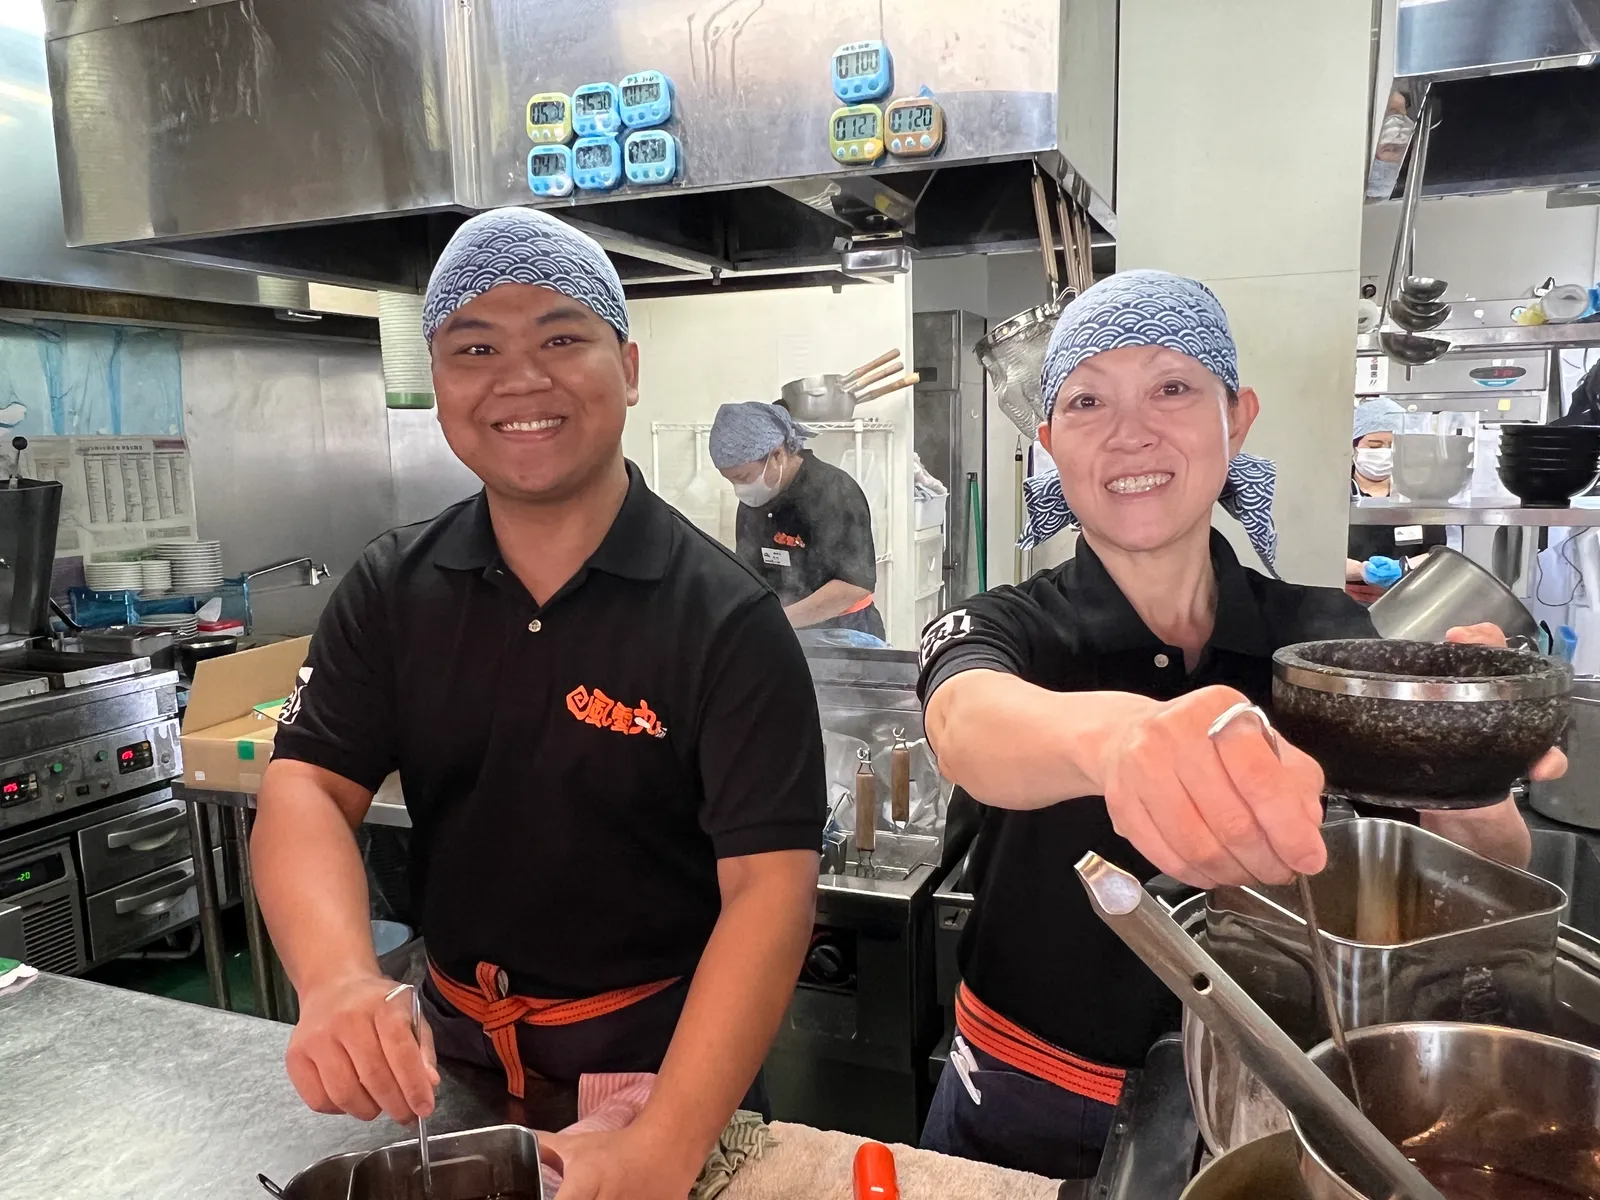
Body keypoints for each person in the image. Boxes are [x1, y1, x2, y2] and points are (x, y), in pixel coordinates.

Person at [914, 270, 1563, 1181]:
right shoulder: (1007, 625)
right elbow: (965, 717)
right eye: (1088, 401)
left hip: (1274, 1115)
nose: (1131, 432)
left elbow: (1491, 868)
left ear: (1238, 417)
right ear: (1051, 443)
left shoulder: (1330, 645)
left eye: (1173, 388)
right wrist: (1121, 742)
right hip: (1020, 1110)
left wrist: (1467, 765)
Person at [250, 208, 827, 1200]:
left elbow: (770, 892)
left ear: (628, 368)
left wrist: (667, 1142)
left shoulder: (724, 619)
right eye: (475, 348)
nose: (519, 380)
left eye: (561, 339)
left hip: (660, 1079)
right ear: (440, 382)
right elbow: (306, 786)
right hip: (450, 1074)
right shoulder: (393, 589)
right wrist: (338, 976)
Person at [709, 400, 885, 640]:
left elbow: (853, 586)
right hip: (783, 630)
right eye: (731, 481)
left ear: (777, 455)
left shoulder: (834, 491)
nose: (739, 489)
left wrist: (776, 620)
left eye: (743, 477)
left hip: (846, 629)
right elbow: (750, 572)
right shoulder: (754, 501)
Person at [1346, 396, 1446, 604]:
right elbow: (1317, 555)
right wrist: (1362, 570)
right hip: (1345, 600)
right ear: (1354, 446)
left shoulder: (1419, 493)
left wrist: (1403, 568)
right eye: (1374, 446)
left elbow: (1438, 553)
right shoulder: (1335, 492)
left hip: (1408, 598)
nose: (1384, 452)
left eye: (1393, 446)